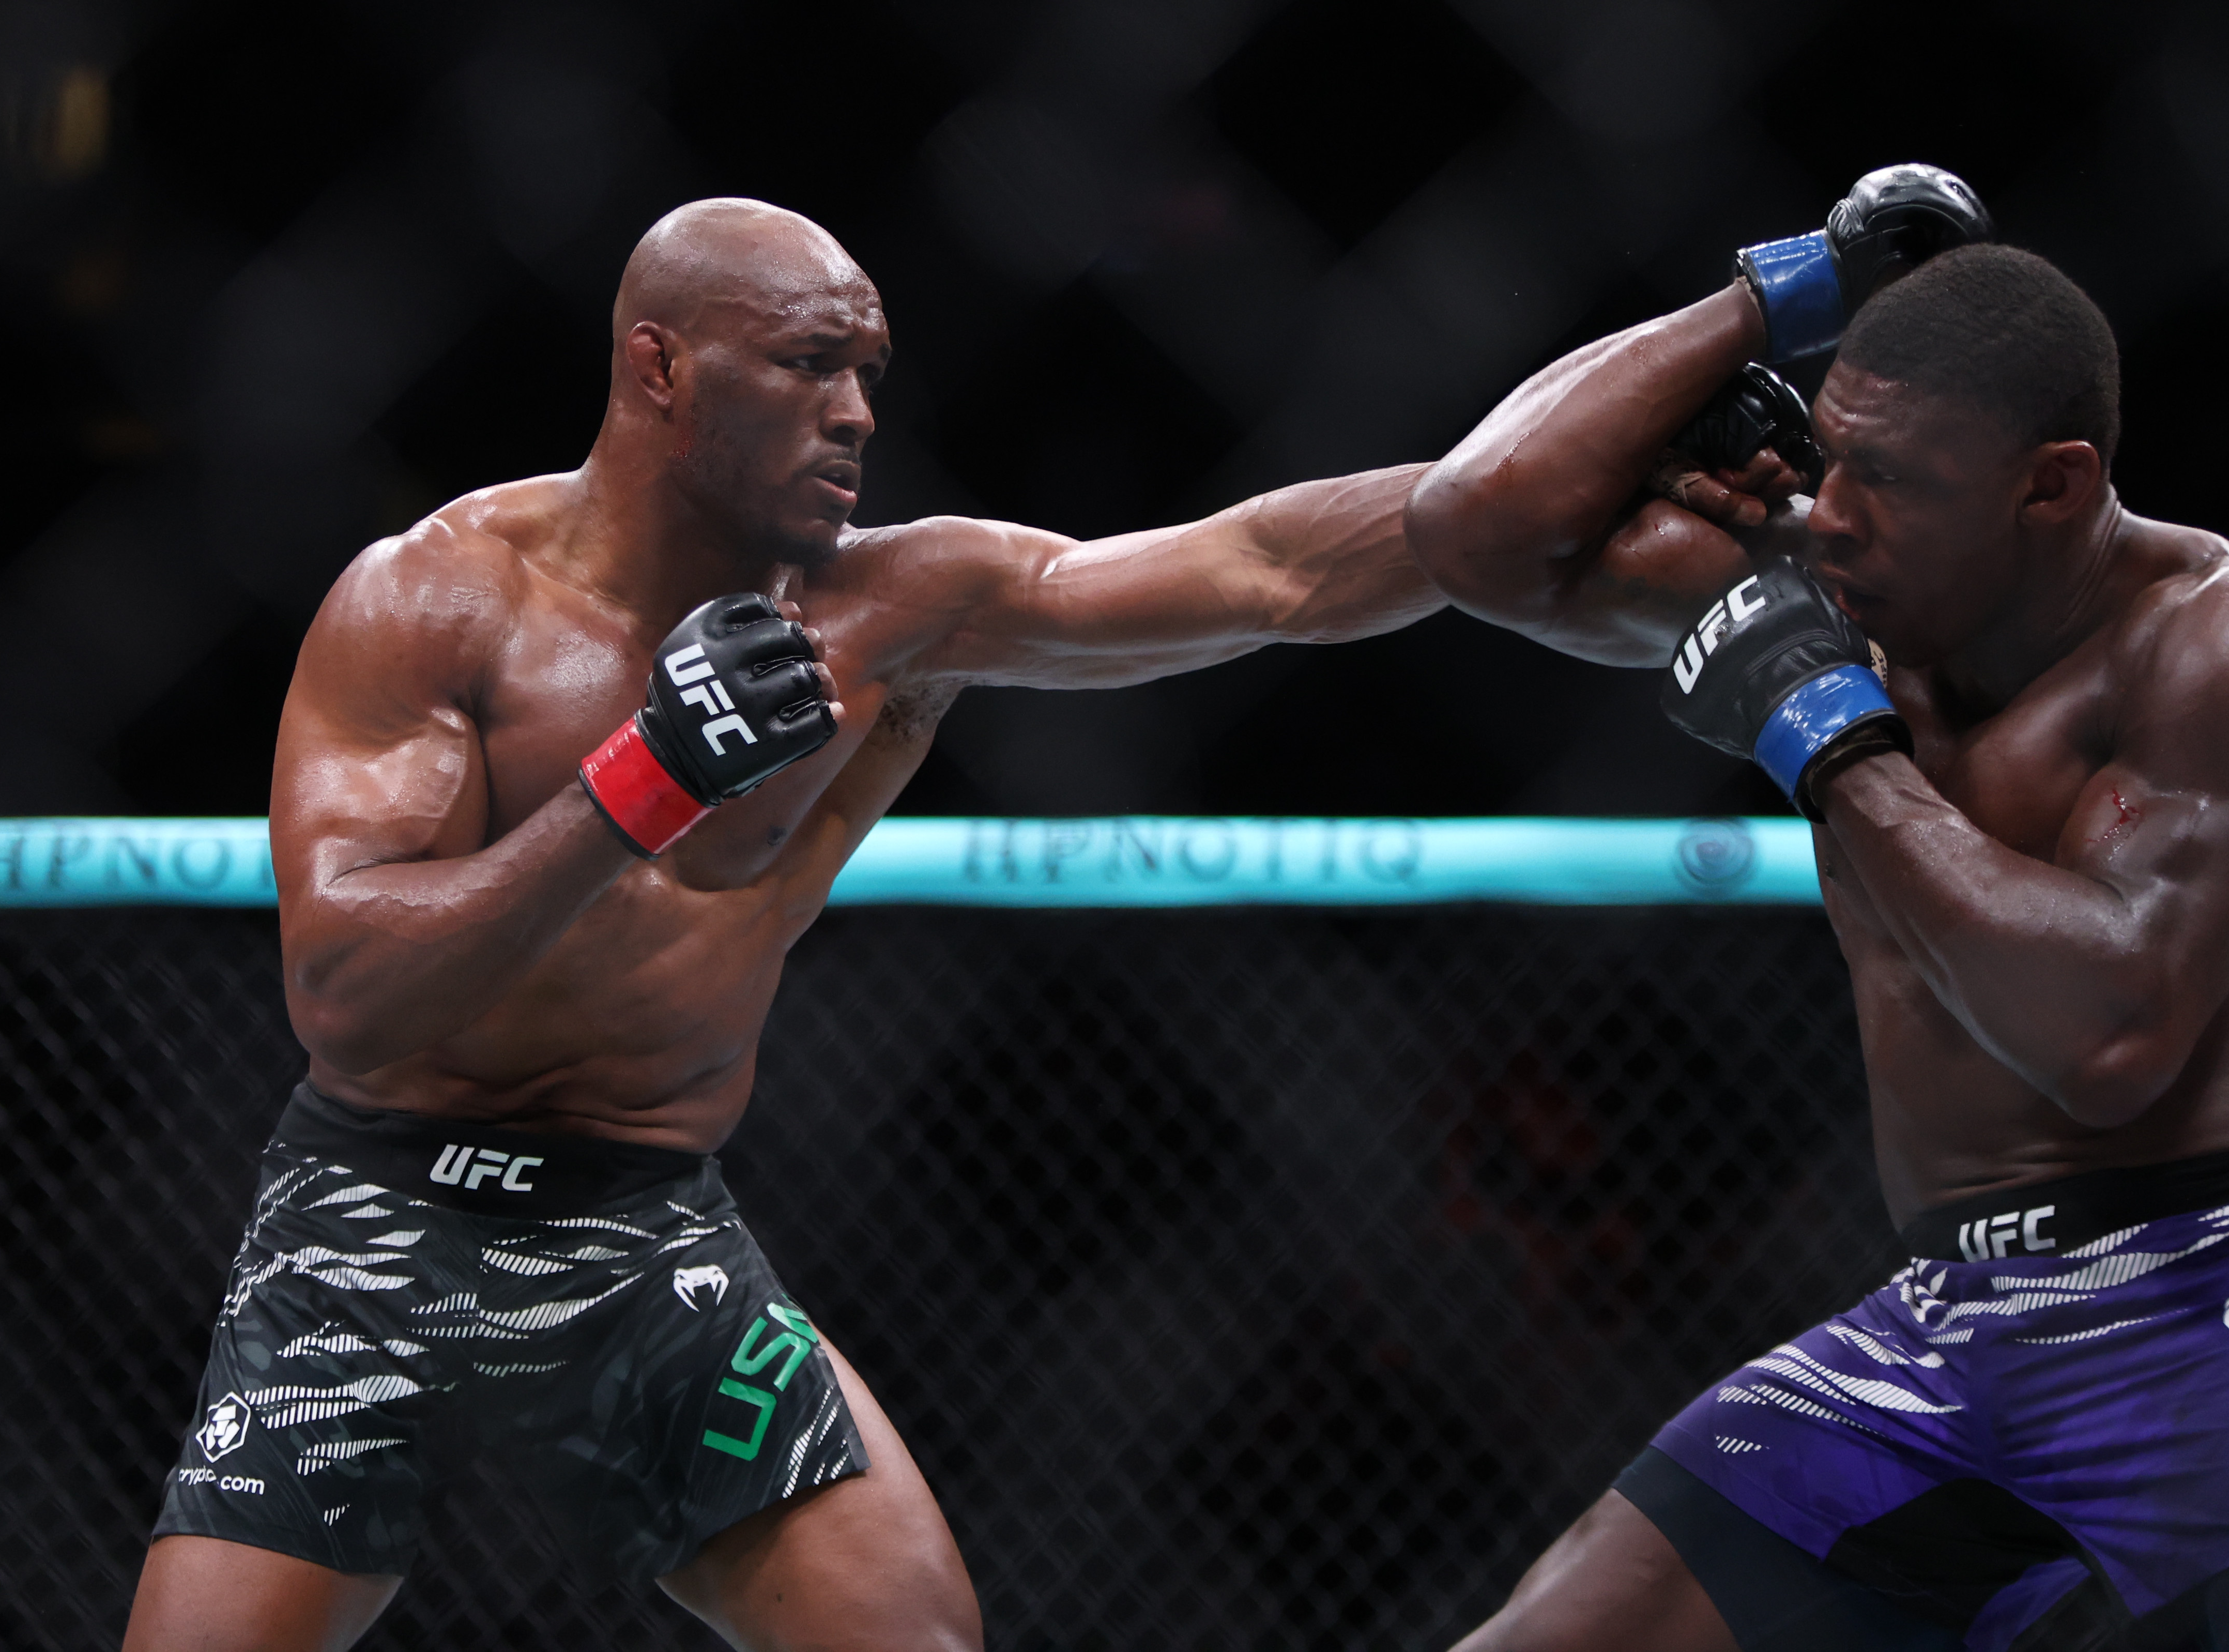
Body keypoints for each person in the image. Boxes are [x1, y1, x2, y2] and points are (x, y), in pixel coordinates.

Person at [119, 197, 1446, 1652]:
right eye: (810, 365)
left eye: (867, 370)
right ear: (661, 369)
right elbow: (348, 992)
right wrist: (642, 779)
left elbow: (1262, 568)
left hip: (637, 1226)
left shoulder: (892, 607)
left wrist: (1526, 493)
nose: (856, 413)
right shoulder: (437, 600)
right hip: (380, 1217)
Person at [1406, 167, 2229, 1650]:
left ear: (2052, 484)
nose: (1830, 516)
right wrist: (1784, 287)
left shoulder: (2222, 643)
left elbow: (2109, 1038)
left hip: (2224, 1292)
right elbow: (1473, 527)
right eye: (1829, 457)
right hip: (1949, 1325)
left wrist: (1823, 734)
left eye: (1895, 480)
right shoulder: (1834, 587)